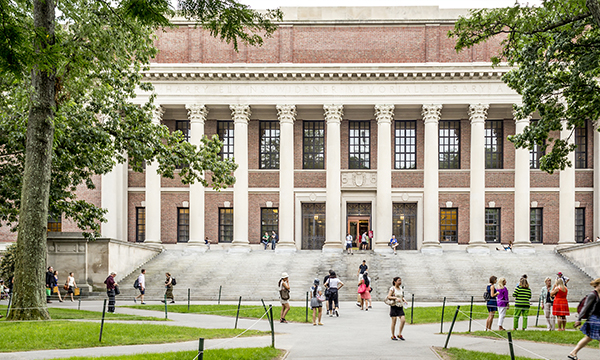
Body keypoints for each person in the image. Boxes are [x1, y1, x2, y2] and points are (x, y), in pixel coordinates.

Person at [567, 278, 600, 360]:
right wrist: (579, 319)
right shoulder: (592, 294)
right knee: (590, 337)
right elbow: (585, 308)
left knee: (588, 337)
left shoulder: (599, 294)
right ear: (597, 285)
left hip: (598, 318)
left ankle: (573, 352)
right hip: (594, 319)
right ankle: (573, 352)